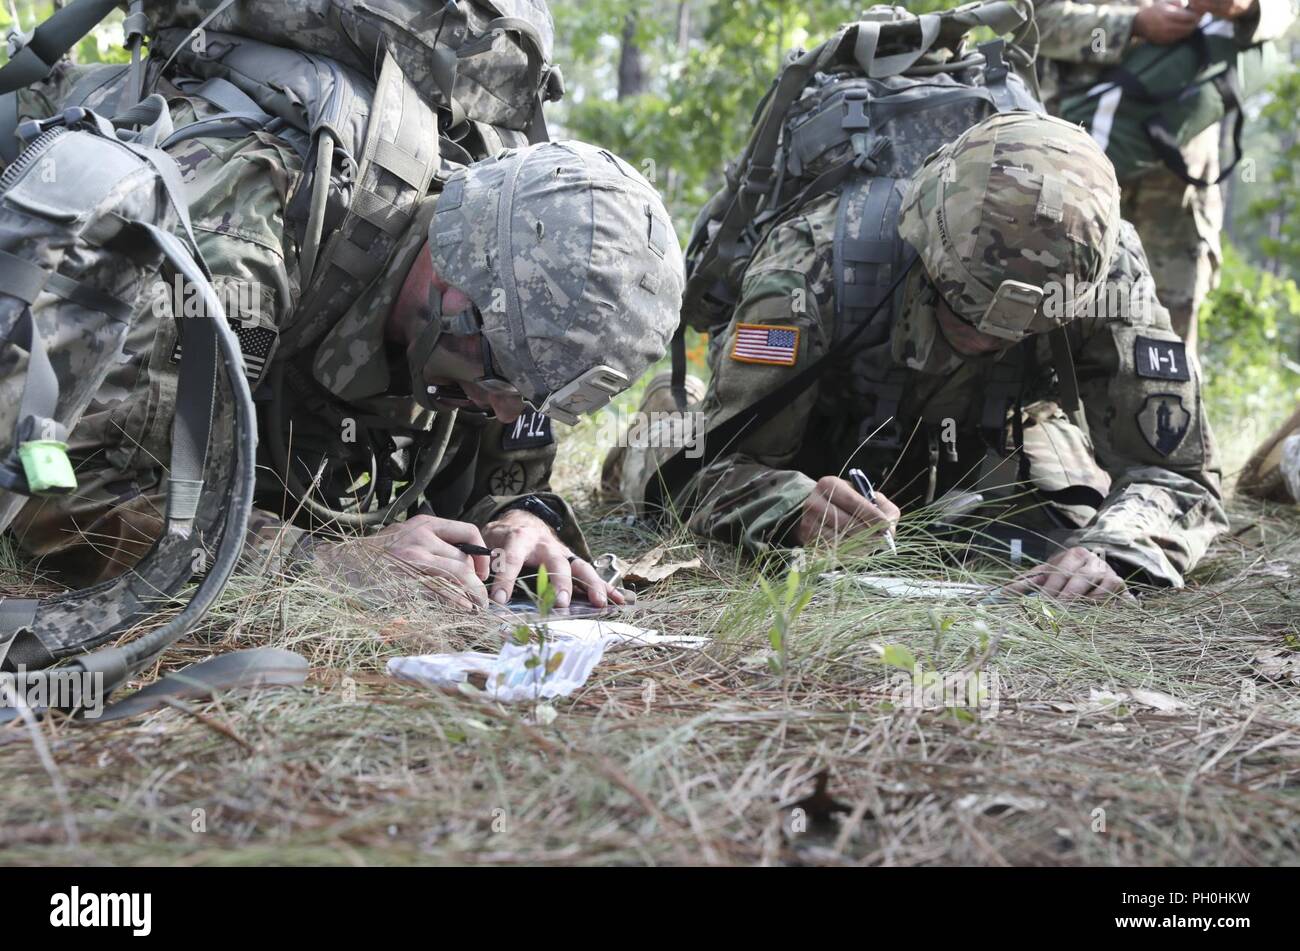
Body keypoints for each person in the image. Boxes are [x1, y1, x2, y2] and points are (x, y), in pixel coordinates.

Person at [3, 56, 685, 613]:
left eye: (534, 401)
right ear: (453, 285)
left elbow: (504, 470)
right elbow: (58, 488)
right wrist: (318, 564)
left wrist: (522, 518)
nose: (507, 410)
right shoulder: (237, 250)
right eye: (504, 380)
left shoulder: (508, 331)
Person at [615, 112, 1228, 601]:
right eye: (964, 308)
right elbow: (718, 467)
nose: (988, 338)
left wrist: (1115, 549)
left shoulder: (1105, 275)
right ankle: (668, 406)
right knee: (667, 463)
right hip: (818, 443)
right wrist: (787, 508)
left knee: (1069, 513)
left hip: (993, 434)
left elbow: (1177, 474)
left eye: (1018, 328)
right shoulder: (814, 264)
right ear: (922, 239)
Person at [1035, 0, 1297, 354]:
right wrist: (1133, 25)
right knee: (1047, 337)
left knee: (1165, 359)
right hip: (1072, 176)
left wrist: (1247, 8)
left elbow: (1285, 12)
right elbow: (1029, 20)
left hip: (1177, 194)